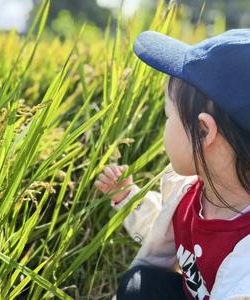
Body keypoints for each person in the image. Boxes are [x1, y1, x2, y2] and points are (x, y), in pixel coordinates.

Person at [94, 28, 250, 300]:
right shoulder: (193, 192)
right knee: (139, 285)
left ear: (203, 131)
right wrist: (129, 198)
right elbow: (162, 227)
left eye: (168, 116)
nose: (164, 129)